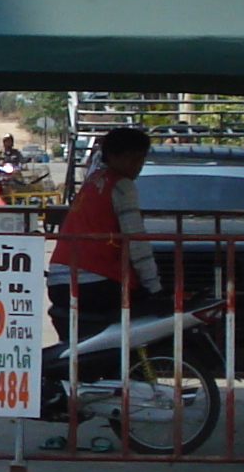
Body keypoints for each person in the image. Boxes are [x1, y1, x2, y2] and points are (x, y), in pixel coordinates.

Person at [47, 126, 162, 372]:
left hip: (61, 280)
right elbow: (136, 240)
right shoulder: (121, 186)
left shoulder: (93, 181)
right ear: (122, 157)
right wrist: (154, 287)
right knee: (148, 307)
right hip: (93, 281)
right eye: (137, 158)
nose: (139, 165)